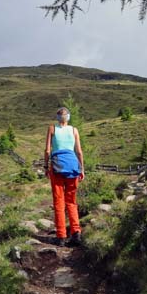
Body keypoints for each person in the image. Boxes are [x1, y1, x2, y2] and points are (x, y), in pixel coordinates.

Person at [44, 106, 85, 247]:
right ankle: (76, 233)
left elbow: (48, 150)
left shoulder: (52, 129)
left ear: (57, 118)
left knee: (59, 202)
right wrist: (82, 169)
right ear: (68, 117)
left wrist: (45, 166)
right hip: (73, 167)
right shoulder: (74, 130)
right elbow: (79, 151)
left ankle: (61, 236)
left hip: (56, 167)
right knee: (71, 201)